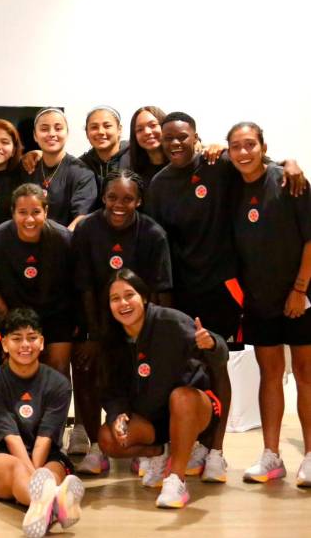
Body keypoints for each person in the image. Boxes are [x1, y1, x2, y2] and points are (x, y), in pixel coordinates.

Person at [145, 111, 304, 481]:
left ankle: (217, 451)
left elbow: (258, 168)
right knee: (186, 370)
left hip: (222, 290)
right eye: (168, 138)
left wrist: (290, 162)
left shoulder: (218, 165)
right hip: (180, 293)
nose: (176, 143)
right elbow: (158, 244)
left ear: (196, 137)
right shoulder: (160, 184)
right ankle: (196, 445)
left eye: (182, 136)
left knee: (217, 365)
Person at [70, 169, 173, 473]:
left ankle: (145, 447)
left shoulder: (154, 234)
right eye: (112, 197)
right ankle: (94, 447)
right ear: (103, 197)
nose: (119, 204)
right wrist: (94, 337)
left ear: (139, 201)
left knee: (141, 377)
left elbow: (160, 290)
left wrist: (150, 336)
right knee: (87, 367)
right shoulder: (87, 230)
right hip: (99, 322)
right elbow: (84, 287)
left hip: (139, 324)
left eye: (128, 198)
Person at [97, 269, 228, 508]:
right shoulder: (110, 339)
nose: (123, 303)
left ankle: (176, 480)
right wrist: (117, 415)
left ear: (144, 297)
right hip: (152, 421)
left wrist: (211, 344)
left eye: (129, 295)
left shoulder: (171, 322)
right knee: (108, 439)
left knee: (181, 397)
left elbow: (219, 356)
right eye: (115, 299)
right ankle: (160, 451)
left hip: (193, 410)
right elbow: (111, 389)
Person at [227, 122, 311, 486]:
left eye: (250, 145)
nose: (243, 152)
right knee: (270, 374)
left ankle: (309, 455)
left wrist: (300, 288)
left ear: (263, 146)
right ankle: (271, 455)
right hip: (259, 300)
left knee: (307, 375)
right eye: (236, 146)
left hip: (300, 296)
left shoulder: (289, 182)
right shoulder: (229, 187)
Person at [0, 308, 84, 537]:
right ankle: (56, 501)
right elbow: (11, 438)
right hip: (1, 454)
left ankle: (44, 503)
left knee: (52, 471)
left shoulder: (59, 384)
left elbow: (45, 437)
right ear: (4, 344)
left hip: (46, 453)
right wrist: (34, 476)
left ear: (42, 343)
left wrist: (38, 475)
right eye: (17, 339)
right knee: (16, 469)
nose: (25, 345)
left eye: (32, 338)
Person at [0, 184, 75, 376]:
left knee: (59, 368)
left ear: (46, 212)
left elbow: (75, 287)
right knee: (17, 370)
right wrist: (11, 326)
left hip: (56, 314)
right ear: (13, 213)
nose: (29, 219)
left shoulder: (64, 239)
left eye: (36, 212)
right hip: (15, 315)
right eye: (22, 212)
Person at [27, 107, 96, 229]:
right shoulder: (29, 166)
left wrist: (62, 242)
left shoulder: (82, 172)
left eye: (58, 128)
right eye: (44, 129)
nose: (52, 134)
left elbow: (81, 218)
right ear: (35, 135)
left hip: (65, 242)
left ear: (67, 133)